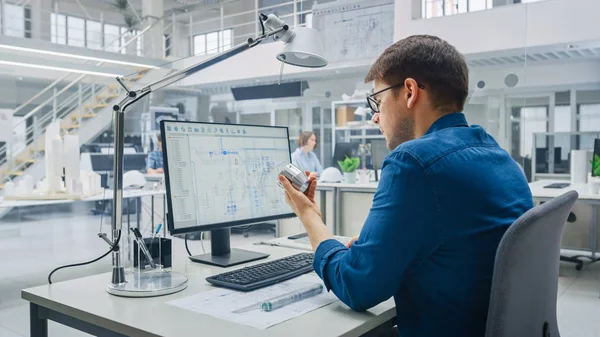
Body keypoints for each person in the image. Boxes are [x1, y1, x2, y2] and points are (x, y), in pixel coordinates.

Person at [278, 35, 533, 337]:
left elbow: (356, 286)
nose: (375, 116)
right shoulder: (499, 156)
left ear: (410, 92)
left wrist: (310, 216)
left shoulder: (413, 162)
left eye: (379, 100)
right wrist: (386, 244)